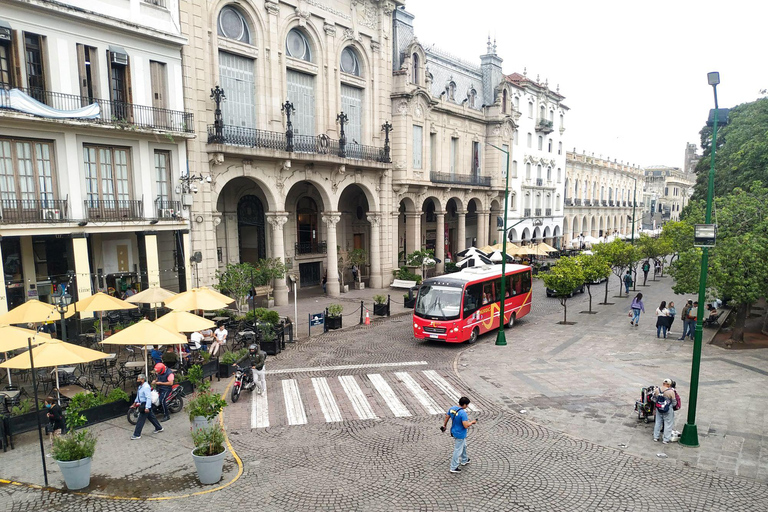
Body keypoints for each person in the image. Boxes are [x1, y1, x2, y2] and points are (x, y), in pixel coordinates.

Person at [441, 396, 477, 473]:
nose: (467, 406)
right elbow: (466, 425)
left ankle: (464, 459)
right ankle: (453, 467)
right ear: (464, 404)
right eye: (467, 405)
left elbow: (447, 417)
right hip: (460, 433)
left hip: (454, 431)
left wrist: (444, 425)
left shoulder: (452, 408)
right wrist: (472, 422)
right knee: (457, 450)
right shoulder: (463, 413)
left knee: (463, 445)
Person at [131, 374, 163, 439]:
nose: (137, 381)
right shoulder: (140, 387)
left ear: (142, 380)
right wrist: (134, 403)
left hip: (145, 404)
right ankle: (159, 428)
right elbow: (138, 396)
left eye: (138, 379)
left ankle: (137, 434)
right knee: (151, 417)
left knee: (140, 420)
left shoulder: (146, 387)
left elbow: (148, 398)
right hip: (143, 404)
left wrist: (147, 407)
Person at [652, 378, 677, 444]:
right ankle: (665, 439)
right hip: (668, 410)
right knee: (668, 424)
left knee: (658, 422)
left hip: (659, 408)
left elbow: (653, 399)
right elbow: (674, 403)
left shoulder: (657, 390)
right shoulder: (671, 392)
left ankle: (656, 437)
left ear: (663, 383)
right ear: (669, 385)